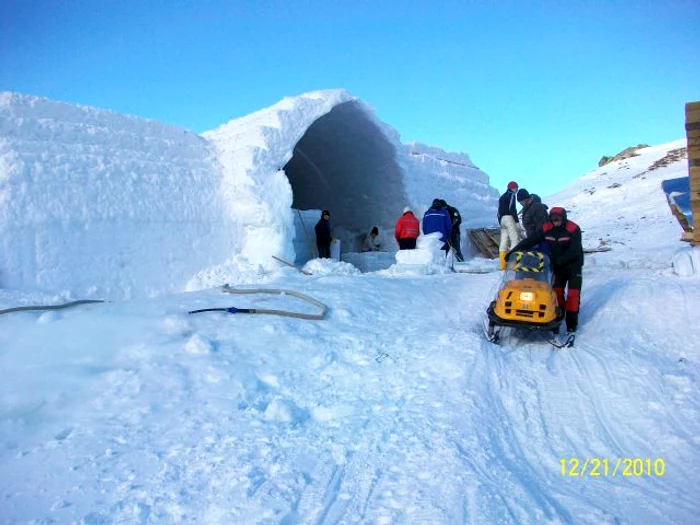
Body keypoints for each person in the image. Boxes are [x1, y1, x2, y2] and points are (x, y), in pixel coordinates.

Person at [507, 206, 583, 342]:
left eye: (558, 219)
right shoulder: (546, 227)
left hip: (573, 265)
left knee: (573, 295)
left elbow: (575, 250)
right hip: (557, 265)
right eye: (553, 219)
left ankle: (572, 325)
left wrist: (559, 261)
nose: (556, 222)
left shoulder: (573, 229)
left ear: (563, 218)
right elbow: (531, 240)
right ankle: (557, 318)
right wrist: (514, 251)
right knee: (557, 293)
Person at [498, 181, 522, 270]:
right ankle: (513, 265)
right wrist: (516, 221)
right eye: (516, 188)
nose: (517, 190)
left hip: (502, 219)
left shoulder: (502, 197)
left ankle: (502, 265)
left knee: (503, 241)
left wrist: (500, 221)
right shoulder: (511, 195)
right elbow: (512, 208)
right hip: (509, 218)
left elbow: (499, 211)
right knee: (515, 240)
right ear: (513, 188)